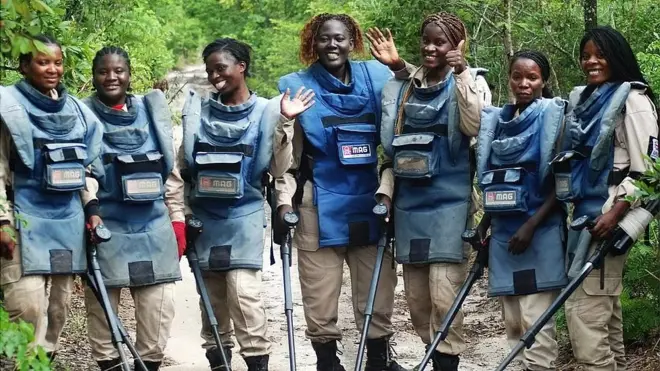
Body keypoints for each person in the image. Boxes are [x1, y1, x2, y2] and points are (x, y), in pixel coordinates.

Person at [166, 38, 312, 371]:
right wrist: (180, 217)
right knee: (212, 301)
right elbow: (180, 173)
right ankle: (219, 360)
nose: (215, 76)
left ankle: (256, 362)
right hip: (203, 219)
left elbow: (277, 169)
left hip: (243, 217)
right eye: (209, 70)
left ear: (241, 67)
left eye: (221, 68)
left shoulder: (268, 112)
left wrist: (287, 121)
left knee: (244, 296)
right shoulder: (196, 113)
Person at [271, 12, 407, 371]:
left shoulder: (378, 78)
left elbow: (415, 104)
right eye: (324, 38)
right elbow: (283, 163)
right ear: (312, 42)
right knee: (319, 292)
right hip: (317, 202)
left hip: (370, 200)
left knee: (378, 288)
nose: (332, 45)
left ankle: (379, 359)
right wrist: (287, 120)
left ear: (352, 42)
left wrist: (400, 67)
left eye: (339, 38)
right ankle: (327, 362)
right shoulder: (296, 87)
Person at [367, 12, 491, 371]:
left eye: (440, 42)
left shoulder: (471, 81)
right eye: (427, 40)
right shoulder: (402, 87)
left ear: (457, 46)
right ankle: (434, 351)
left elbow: (475, 125)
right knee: (419, 304)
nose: (430, 47)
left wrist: (462, 71)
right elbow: (391, 153)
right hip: (410, 208)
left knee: (444, 295)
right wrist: (385, 194)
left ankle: (446, 363)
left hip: (451, 207)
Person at [552, 26, 659, 371]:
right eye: (585, 56)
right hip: (583, 218)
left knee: (584, 314)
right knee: (604, 315)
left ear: (617, 57)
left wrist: (615, 215)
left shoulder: (633, 101)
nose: (591, 62)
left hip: (606, 222)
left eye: (600, 54)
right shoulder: (588, 100)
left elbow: (650, 171)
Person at [0, 35, 103, 360]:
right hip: (20, 220)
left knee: (58, 309)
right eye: (43, 62)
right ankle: (28, 364)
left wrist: (93, 210)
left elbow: (86, 169)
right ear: (24, 65)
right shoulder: (8, 107)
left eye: (57, 62)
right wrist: (2, 220)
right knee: (28, 306)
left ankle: (45, 360)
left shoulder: (78, 112)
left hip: (66, 223)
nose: (52, 69)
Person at [82, 46, 182, 371]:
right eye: (103, 71)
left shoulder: (152, 111)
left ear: (129, 74)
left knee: (157, 316)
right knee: (103, 320)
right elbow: (80, 173)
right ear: (94, 76)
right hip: (104, 229)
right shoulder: (81, 114)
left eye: (119, 71)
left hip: (153, 229)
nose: (111, 77)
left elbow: (172, 173)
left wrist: (178, 220)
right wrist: (90, 211)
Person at [477, 51, 568, 371]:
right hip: (504, 235)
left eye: (532, 77)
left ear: (544, 80)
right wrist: (484, 223)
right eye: (517, 76)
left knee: (536, 323)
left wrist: (531, 225)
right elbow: (496, 182)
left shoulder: (554, 118)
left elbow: (564, 183)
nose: (524, 83)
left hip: (539, 233)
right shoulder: (499, 121)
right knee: (514, 324)